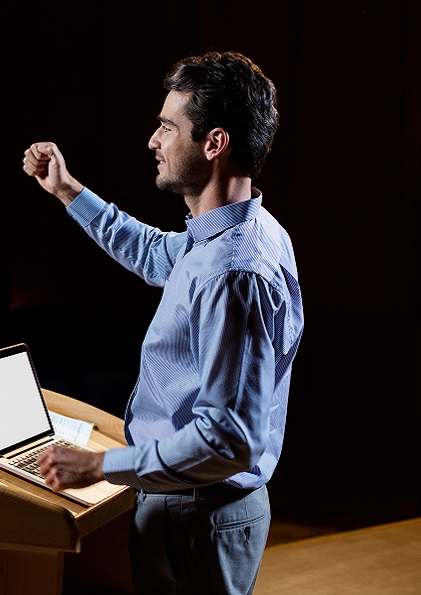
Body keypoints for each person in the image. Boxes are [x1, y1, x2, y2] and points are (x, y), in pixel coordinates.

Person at [23, 50, 304, 594]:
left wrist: (103, 466)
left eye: (167, 127)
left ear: (214, 143)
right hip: (191, 505)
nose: (153, 140)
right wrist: (67, 191)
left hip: (199, 515)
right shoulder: (243, 229)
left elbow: (229, 439)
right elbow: (155, 253)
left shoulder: (234, 272)